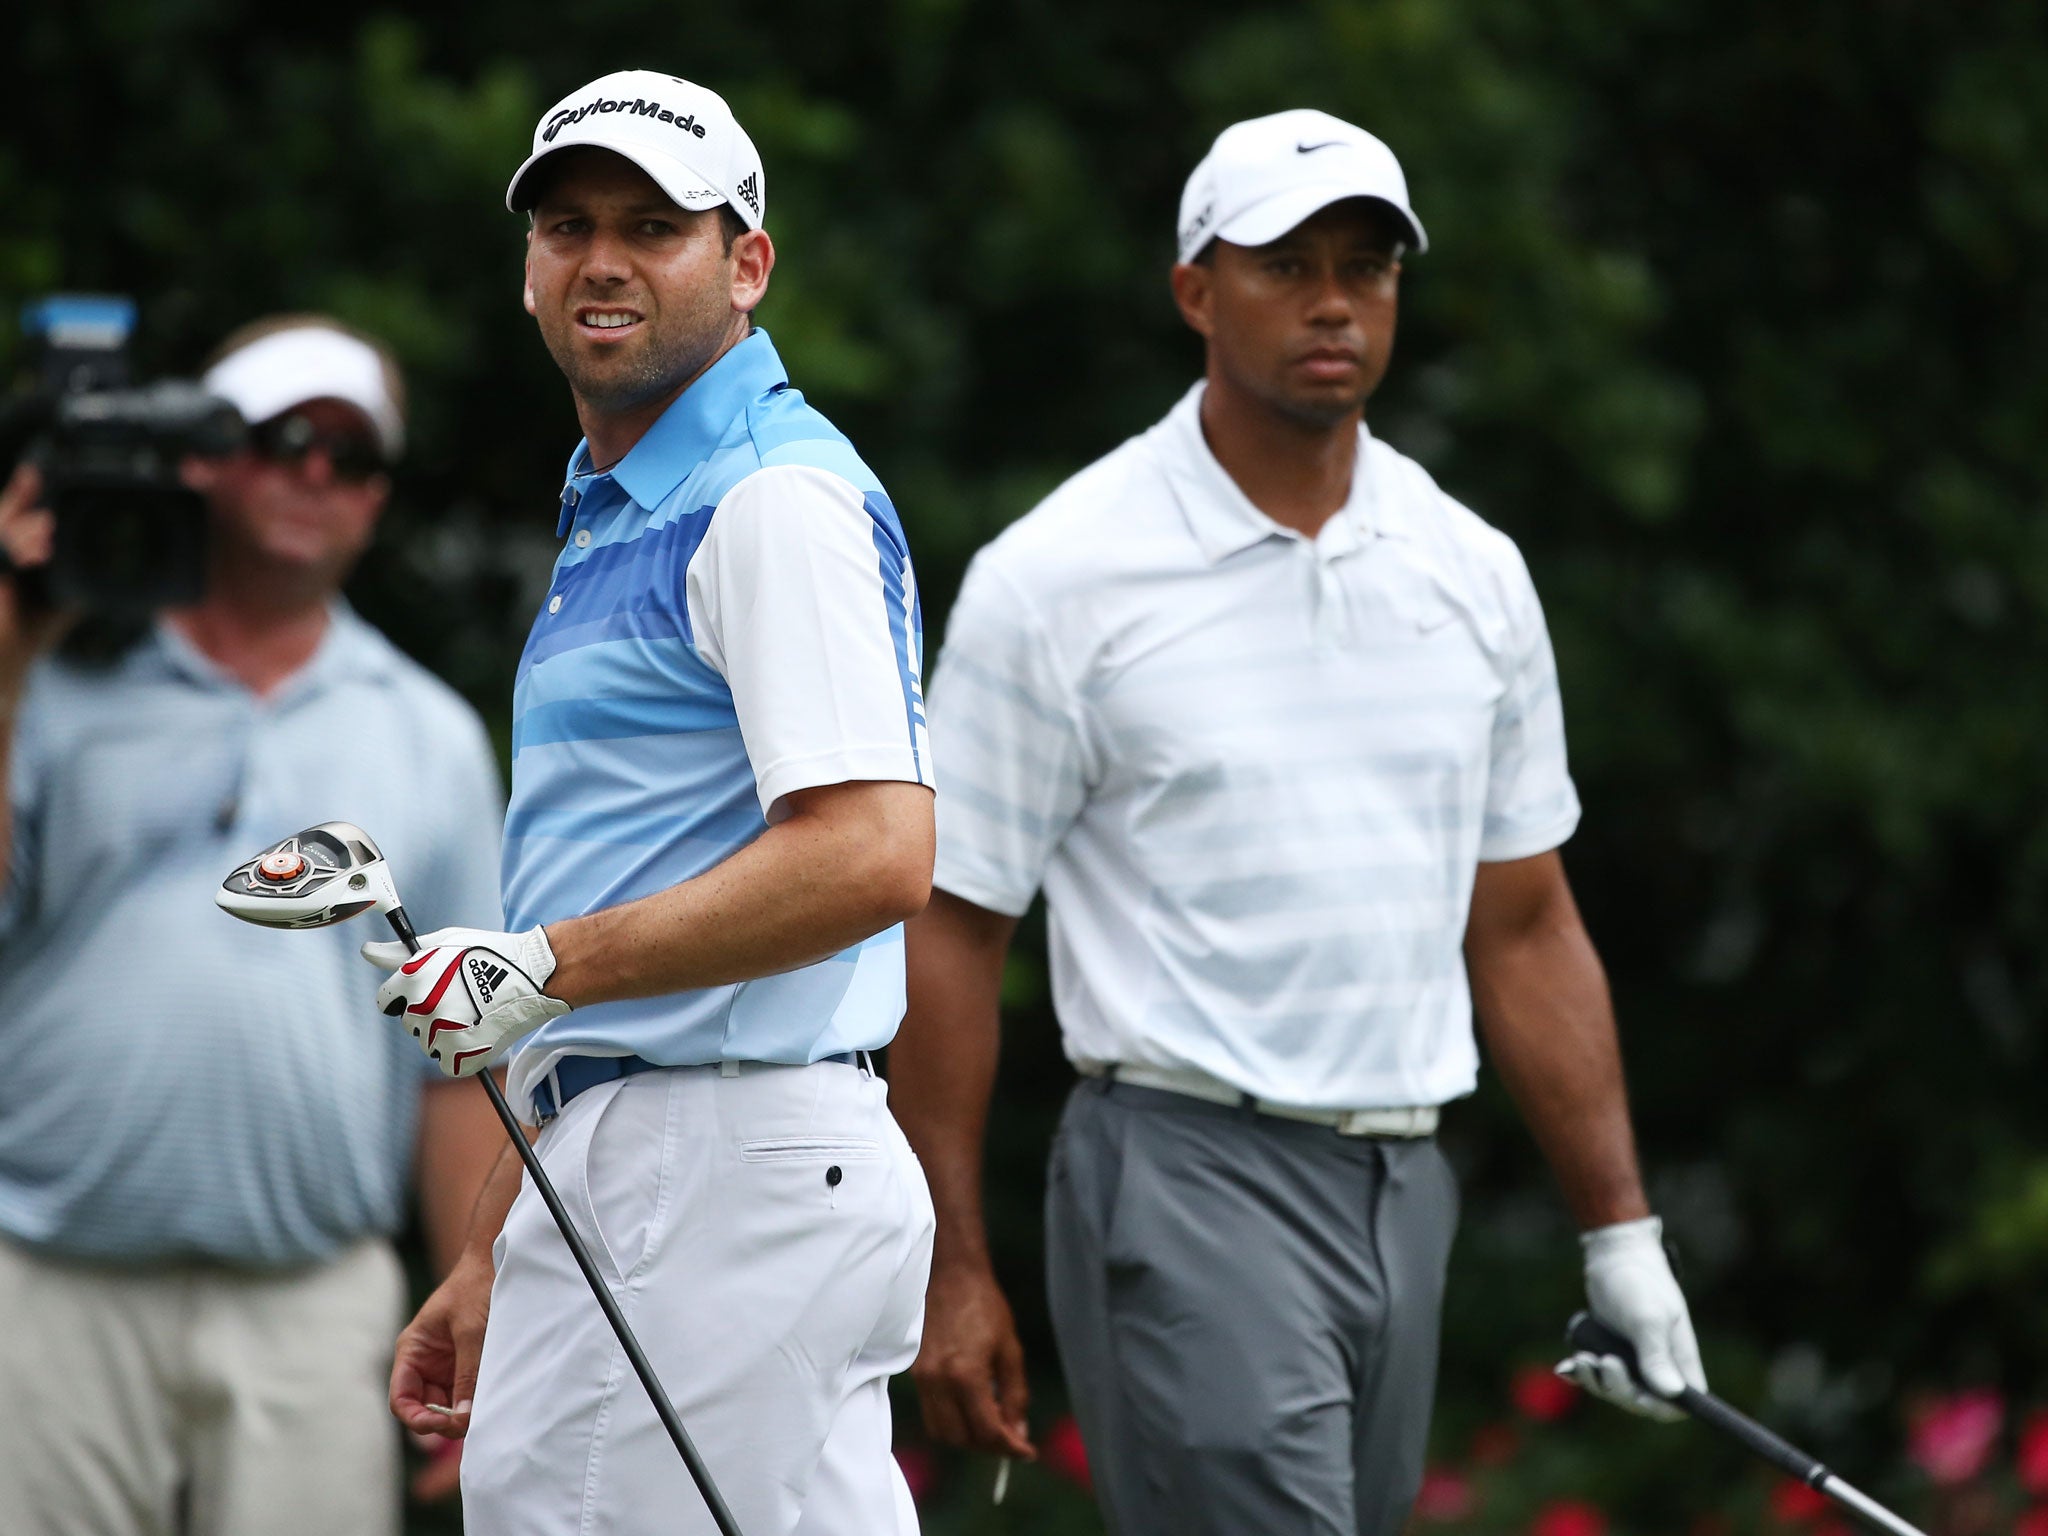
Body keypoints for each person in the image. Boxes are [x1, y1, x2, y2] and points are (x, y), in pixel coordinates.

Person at [892, 108, 1706, 1535]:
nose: (1335, 300)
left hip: (1407, 1181)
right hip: (1181, 1168)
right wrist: (950, 1263)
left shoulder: (1472, 572)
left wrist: (1621, 1236)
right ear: (1196, 289)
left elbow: (1523, 926)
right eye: (1288, 265)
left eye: (1369, 266)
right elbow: (950, 932)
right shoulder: (1062, 577)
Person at [369, 70, 937, 1536]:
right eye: (567, 225)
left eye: (653, 226)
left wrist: (544, 968)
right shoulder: (624, 502)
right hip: (666, 1164)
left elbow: (874, 853)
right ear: (529, 271)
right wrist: (497, 1239)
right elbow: (617, 895)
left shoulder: (767, 499)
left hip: (721, 1172)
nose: (602, 258)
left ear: (746, 265)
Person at [0, 315, 507, 1536]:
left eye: (351, 454)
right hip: (47, 1283)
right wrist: (10, 642)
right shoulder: (48, 680)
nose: (315, 475)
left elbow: (452, 1052)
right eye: (281, 440)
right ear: (198, 459)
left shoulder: (427, 732)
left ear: (379, 498)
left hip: (314, 1303)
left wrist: (469, 1291)